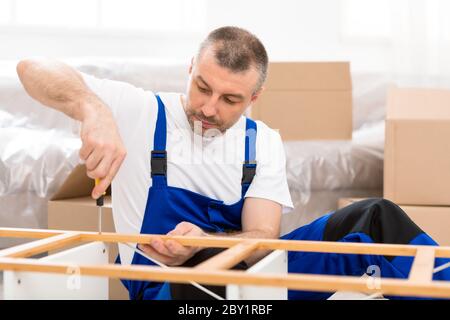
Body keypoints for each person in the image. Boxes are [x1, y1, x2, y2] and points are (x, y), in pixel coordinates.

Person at [16, 26, 450, 300]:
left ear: (254, 98)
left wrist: (205, 241)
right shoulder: (142, 112)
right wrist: (93, 111)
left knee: (376, 218)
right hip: (174, 288)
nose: (208, 107)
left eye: (229, 99)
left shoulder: (262, 142)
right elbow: (31, 66)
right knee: (203, 290)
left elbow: (263, 238)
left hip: (249, 276)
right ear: (190, 68)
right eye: (202, 87)